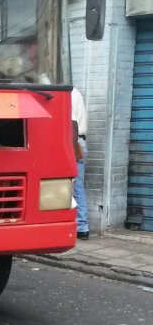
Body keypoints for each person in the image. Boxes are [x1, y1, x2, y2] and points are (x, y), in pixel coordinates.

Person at [72, 87, 90, 240]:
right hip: (79, 141)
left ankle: (80, 226)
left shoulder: (67, 93)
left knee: (71, 185)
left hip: (72, 141)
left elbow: (72, 123)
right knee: (78, 186)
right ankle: (82, 227)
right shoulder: (76, 92)